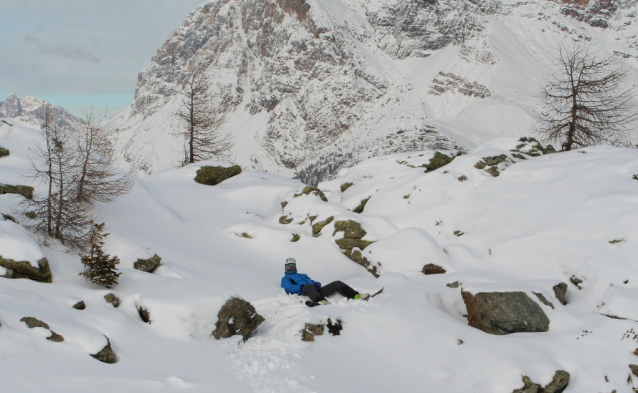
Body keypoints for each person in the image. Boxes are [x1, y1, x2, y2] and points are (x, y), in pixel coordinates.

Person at [281, 257, 370, 305]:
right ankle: (321, 301)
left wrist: (316, 284)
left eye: (292, 266)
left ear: (295, 266)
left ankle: (355, 296)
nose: (291, 268)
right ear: (285, 267)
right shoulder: (285, 279)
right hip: (304, 292)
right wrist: (300, 287)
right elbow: (290, 288)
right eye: (288, 266)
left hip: (315, 291)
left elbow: (311, 281)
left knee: (337, 283)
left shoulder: (303, 275)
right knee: (308, 286)